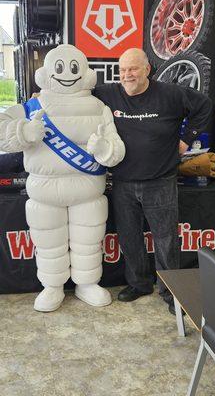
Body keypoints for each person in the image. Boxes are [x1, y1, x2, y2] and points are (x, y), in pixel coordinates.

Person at [0, 44, 125, 312]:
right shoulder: (32, 106)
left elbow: (116, 148)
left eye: (73, 68)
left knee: (89, 242)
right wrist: (22, 131)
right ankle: (52, 286)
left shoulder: (99, 108)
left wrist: (105, 149)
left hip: (88, 192)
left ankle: (87, 283)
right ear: (47, 73)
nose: (66, 73)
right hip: (45, 193)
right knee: (48, 242)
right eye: (59, 68)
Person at [93, 48, 212, 314]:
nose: (127, 75)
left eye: (133, 69)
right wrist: (43, 98)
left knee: (166, 239)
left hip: (161, 181)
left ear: (147, 69)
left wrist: (186, 139)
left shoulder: (170, 94)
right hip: (122, 182)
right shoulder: (108, 93)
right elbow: (76, 96)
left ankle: (171, 292)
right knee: (129, 237)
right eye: (123, 70)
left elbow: (204, 105)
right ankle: (139, 284)